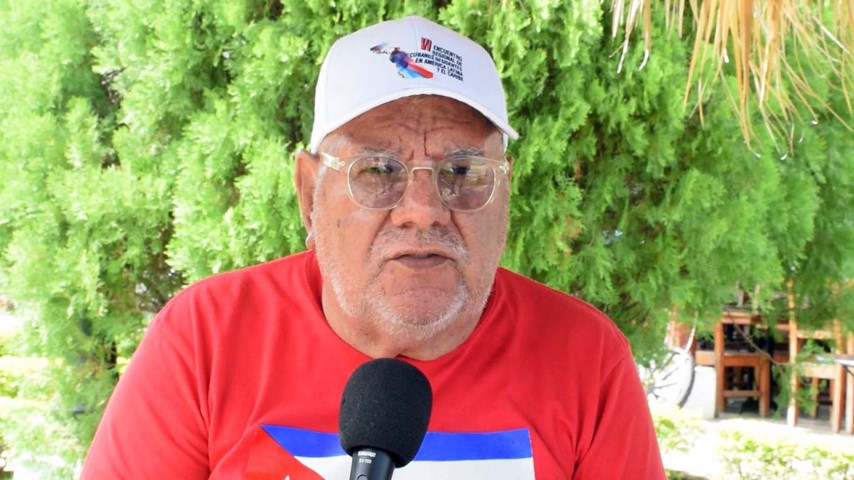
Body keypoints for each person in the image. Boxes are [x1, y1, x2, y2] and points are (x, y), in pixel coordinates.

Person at [82, 16, 666, 479]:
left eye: (463, 171)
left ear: (504, 193)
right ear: (310, 194)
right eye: (378, 169)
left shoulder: (587, 359)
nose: (423, 209)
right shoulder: (205, 338)